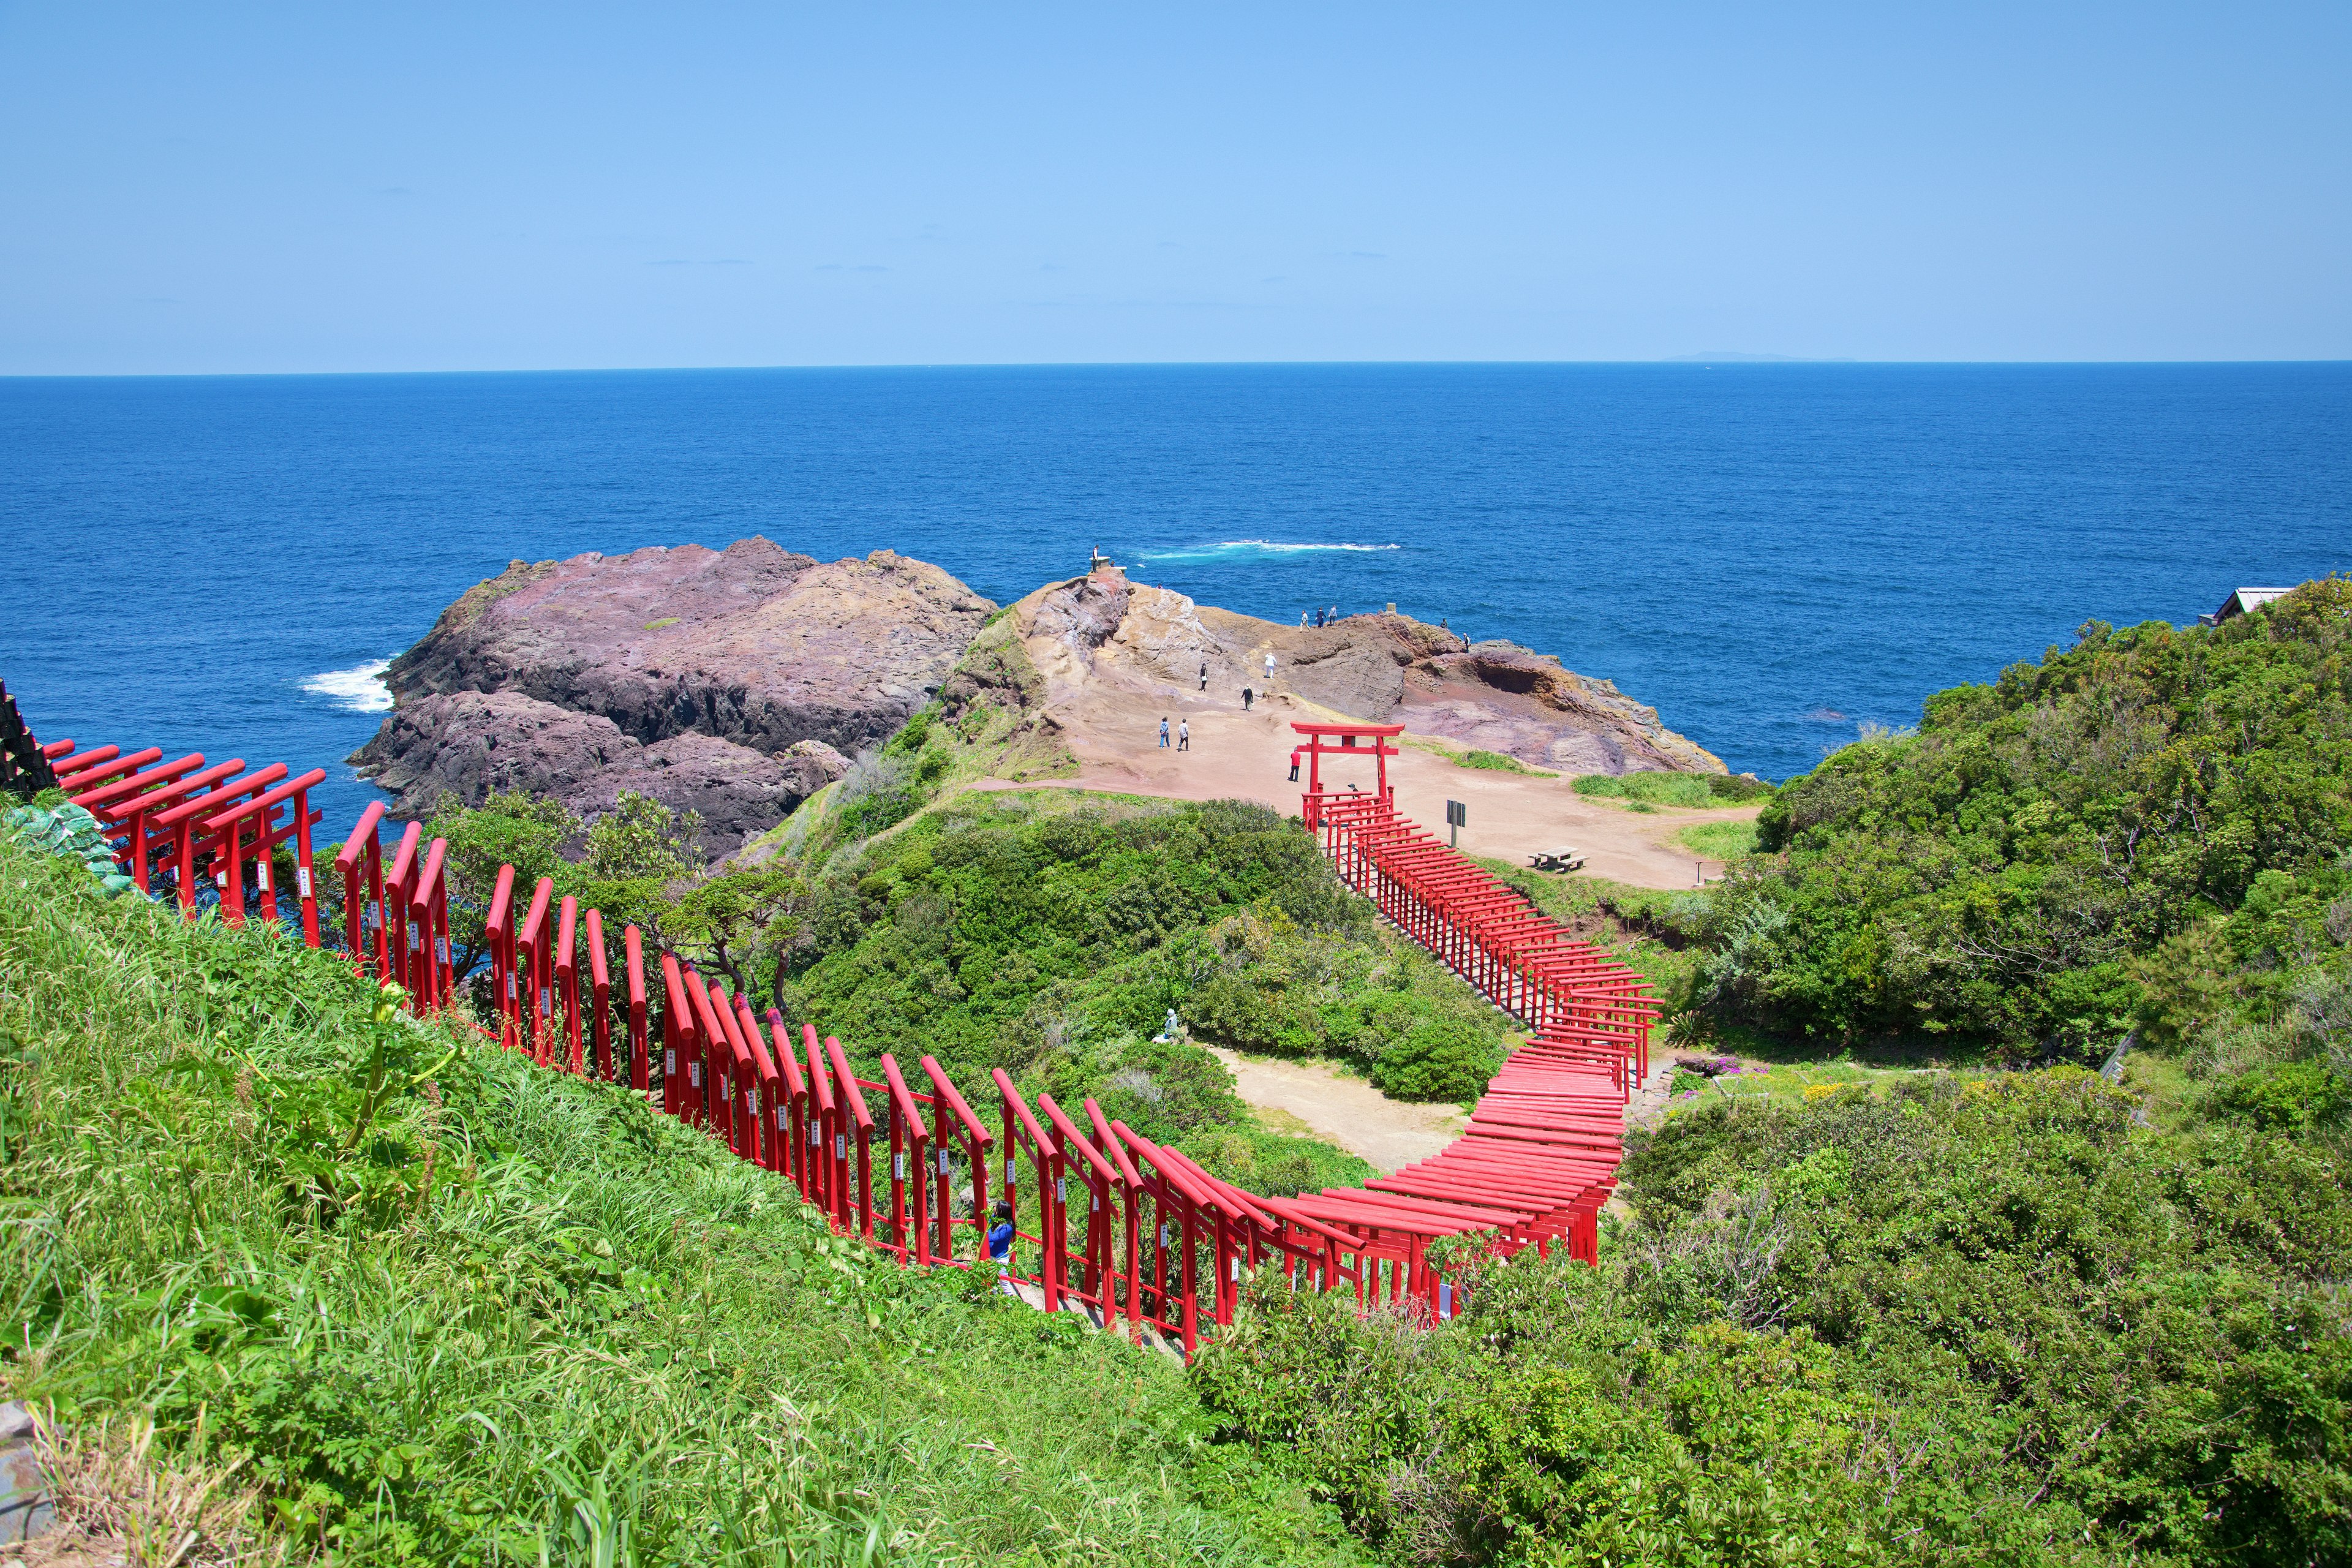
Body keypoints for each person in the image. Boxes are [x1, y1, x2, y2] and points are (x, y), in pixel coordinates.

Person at [987, 1200, 1017, 1294]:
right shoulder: (998, 1220)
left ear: (1001, 1211)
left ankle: (1010, 1301)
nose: (993, 1208)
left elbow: (991, 1238)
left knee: (1004, 1282)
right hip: (993, 1256)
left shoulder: (1007, 1227)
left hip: (1000, 1259)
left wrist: (988, 1224)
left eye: (996, 1207)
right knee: (992, 1280)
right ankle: (995, 1301)